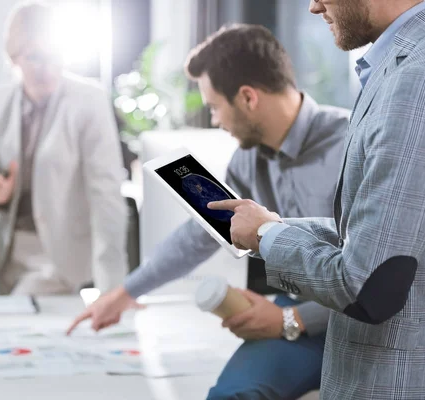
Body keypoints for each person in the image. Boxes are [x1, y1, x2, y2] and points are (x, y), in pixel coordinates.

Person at [68, 24, 350, 400]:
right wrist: (123, 293)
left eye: (215, 106)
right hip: (297, 310)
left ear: (248, 98)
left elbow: (377, 271)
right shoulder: (247, 161)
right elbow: (198, 236)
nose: (215, 120)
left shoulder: (354, 144)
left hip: (359, 319)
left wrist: (290, 320)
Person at [209, 1, 425, 398]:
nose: (314, 6)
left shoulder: (422, 78)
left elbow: (368, 283)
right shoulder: (402, 67)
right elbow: (382, 236)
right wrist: (271, 226)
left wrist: (267, 237)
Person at [0, 1, 128, 296]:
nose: (47, 68)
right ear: (14, 57)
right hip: (9, 254)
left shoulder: (89, 100)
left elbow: (107, 192)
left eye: (55, 55)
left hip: (60, 257)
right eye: (34, 56)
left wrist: (113, 286)